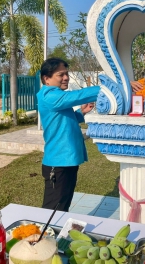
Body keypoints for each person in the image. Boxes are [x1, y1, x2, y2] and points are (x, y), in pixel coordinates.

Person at [37, 58, 100, 212]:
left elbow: (64, 120)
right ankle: (45, 235)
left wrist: (81, 112)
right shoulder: (48, 96)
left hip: (68, 160)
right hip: (58, 163)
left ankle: (55, 233)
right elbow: (77, 95)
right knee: (53, 209)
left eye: (67, 74)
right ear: (46, 78)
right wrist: (108, 89)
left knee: (63, 205)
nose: (66, 78)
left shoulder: (57, 97)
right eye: (60, 75)